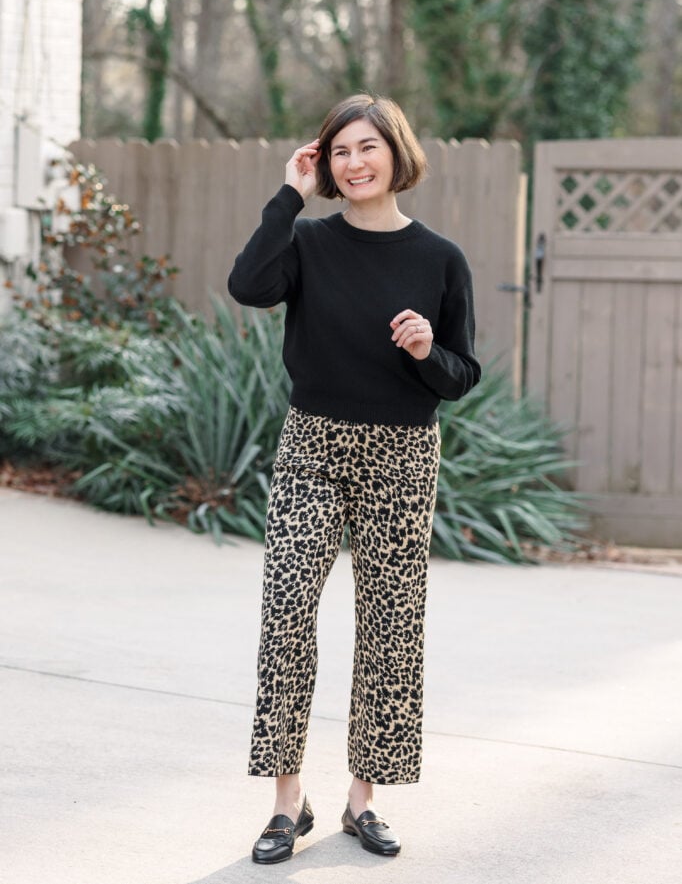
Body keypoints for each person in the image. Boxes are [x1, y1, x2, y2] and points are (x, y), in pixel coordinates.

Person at [228, 93, 481, 864]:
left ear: (396, 154)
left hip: (403, 453)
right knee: (285, 613)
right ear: (325, 163)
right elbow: (248, 285)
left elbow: (459, 375)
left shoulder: (439, 259)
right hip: (312, 443)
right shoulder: (304, 242)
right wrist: (287, 193)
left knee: (390, 625)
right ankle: (285, 803)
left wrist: (423, 350)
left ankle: (361, 799)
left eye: (367, 147)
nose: (354, 162)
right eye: (339, 151)